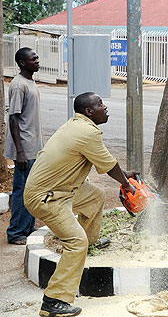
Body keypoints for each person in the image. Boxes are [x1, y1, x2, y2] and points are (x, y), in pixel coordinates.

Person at [24, 92, 137, 317]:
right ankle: (53, 301)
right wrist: (128, 185)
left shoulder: (78, 126)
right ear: (88, 112)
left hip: (62, 188)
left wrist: (124, 175)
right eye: (100, 104)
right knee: (76, 242)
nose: (105, 107)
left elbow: (105, 161)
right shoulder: (86, 132)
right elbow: (109, 166)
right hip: (47, 197)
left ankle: (90, 242)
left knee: (95, 195)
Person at [4, 47, 42, 245]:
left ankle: (27, 227)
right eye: (33, 58)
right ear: (22, 63)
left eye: (36, 57)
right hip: (24, 149)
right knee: (22, 190)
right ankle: (16, 232)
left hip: (32, 147)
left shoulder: (30, 82)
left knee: (31, 189)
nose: (37, 60)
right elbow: (13, 118)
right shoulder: (19, 85)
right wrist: (19, 152)